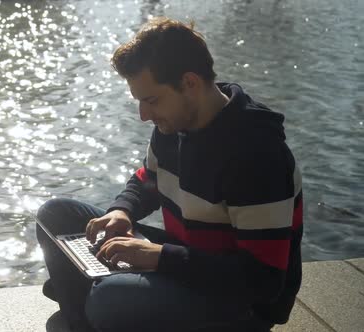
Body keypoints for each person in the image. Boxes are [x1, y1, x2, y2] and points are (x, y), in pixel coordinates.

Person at [35, 17, 303, 332]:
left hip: (242, 305)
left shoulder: (257, 154)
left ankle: (88, 303)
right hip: (188, 262)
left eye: (151, 100)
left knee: (110, 300)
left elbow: (262, 281)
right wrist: (123, 211)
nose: (143, 115)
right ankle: (89, 311)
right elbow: (146, 182)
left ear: (189, 83)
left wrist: (159, 258)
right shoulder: (173, 124)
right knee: (55, 215)